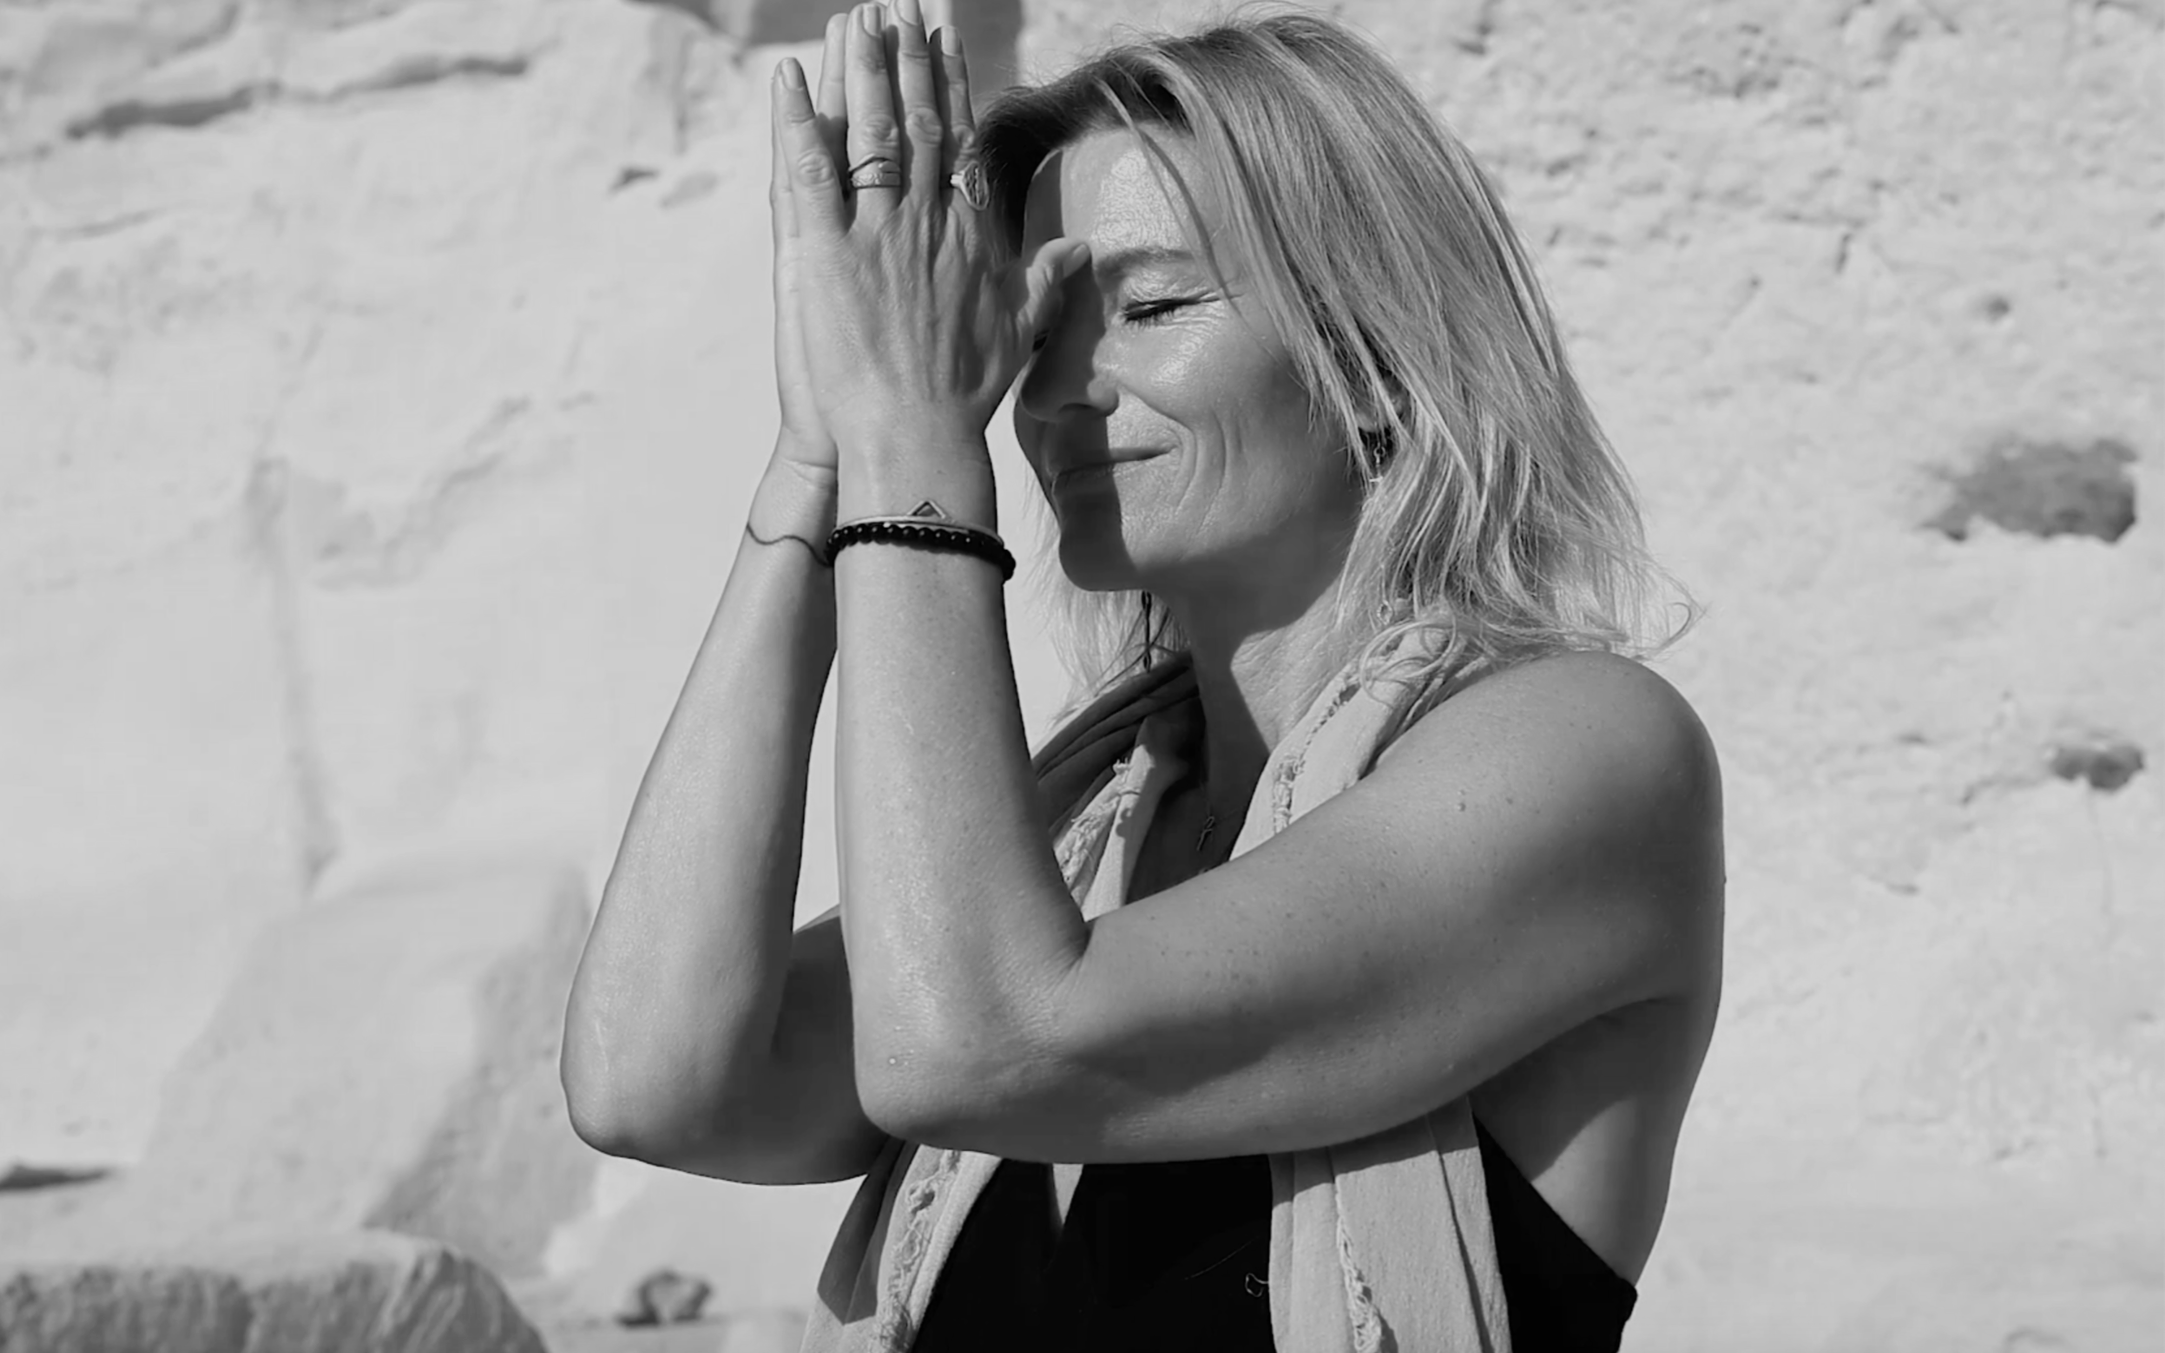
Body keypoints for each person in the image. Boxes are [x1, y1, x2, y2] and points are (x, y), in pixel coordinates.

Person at [561, 3, 1723, 1350]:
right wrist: (822, 455)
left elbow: (980, 1046)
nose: (1056, 392)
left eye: (1149, 307)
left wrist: (915, 461)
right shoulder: (1079, 848)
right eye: (1034, 330)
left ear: (1375, 358)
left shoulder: (1582, 751)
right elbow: (658, 1084)